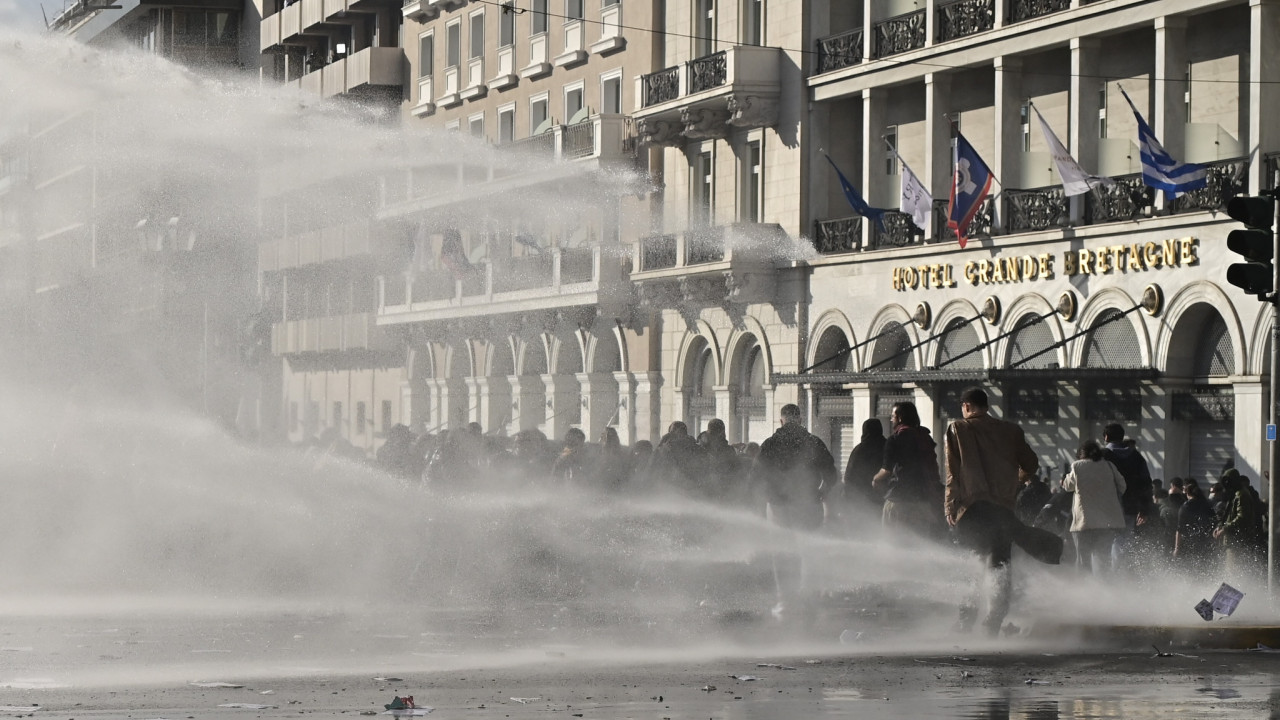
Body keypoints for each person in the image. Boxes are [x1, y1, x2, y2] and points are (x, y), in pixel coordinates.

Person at [944, 387, 1062, 636]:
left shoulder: (958, 429)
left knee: (973, 564)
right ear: (986, 405)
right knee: (1000, 565)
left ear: (966, 406)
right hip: (1003, 509)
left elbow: (953, 472)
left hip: (972, 510)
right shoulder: (1011, 430)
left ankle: (966, 621)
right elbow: (1031, 464)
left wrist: (949, 505)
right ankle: (993, 623)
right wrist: (1016, 482)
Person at [749, 403, 837, 620]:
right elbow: (831, 474)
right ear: (800, 420)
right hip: (809, 505)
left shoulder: (770, 444)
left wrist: (761, 508)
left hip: (779, 508)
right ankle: (809, 600)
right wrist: (821, 494)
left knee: (782, 553)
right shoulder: (814, 442)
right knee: (810, 551)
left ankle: (786, 602)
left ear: (782, 420)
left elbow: (755, 479)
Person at [873, 402, 943, 538]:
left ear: (899, 418)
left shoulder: (895, 439)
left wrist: (875, 479)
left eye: (893, 416)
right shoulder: (925, 437)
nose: (891, 419)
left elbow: (886, 470)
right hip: (923, 501)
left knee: (893, 542)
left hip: (899, 500)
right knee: (919, 542)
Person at [1060, 440, 1126, 576]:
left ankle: (1086, 592)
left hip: (1084, 524)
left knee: (1083, 561)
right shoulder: (1109, 466)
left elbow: (1067, 486)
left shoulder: (1077, 466)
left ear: (1081, 455)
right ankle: (1103, 591)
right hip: (1106, 523)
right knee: (1103, 560)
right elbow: (1122, 486)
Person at [1101, 423, 1153, 570]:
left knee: (1103, 542)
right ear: (1122, 437)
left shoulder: (1102, 456)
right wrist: (1145, 509)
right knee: (1122, 543)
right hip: (1130, 507)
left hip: (1105, 508)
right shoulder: (1136, 456)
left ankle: (1103, 579)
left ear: (1106, 437)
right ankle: (1118, 575)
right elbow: (1146, 483)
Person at [843, 418, 886, 521]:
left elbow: (849, 477)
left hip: (862, 502)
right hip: (883, 499)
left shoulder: (859, 450)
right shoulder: (888, 447)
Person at [649, 421, 709, 495]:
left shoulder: (664, 450)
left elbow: (651, 467)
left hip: (671, 492)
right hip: (692, 491)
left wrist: (661, 444)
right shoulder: (697, 448)